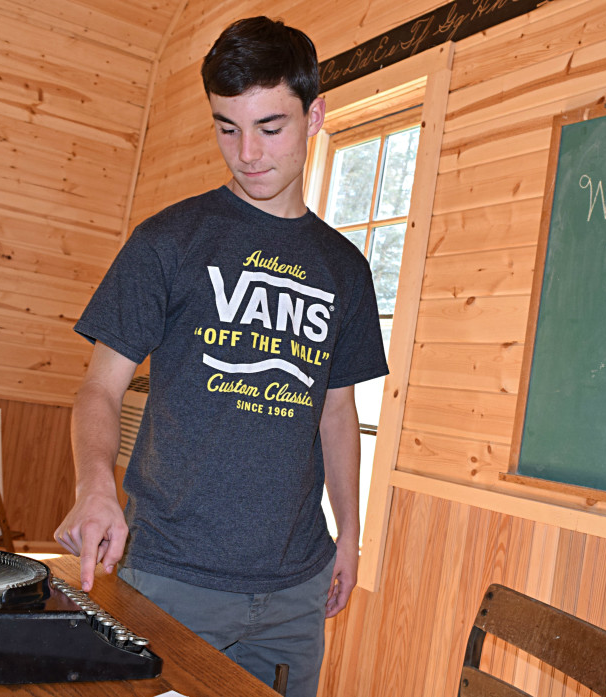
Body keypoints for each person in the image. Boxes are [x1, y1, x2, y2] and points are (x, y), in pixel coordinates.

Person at [54, 15, 388, 697]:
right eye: (226, 128)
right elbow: (99, 389)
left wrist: (350, 534)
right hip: (171, 579)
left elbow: (337, 414)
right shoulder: (168, 242)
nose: (248, 153)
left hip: (296, 592)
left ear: (315, 113)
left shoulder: (345, 270)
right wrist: (94, 483)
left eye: (271, 127)